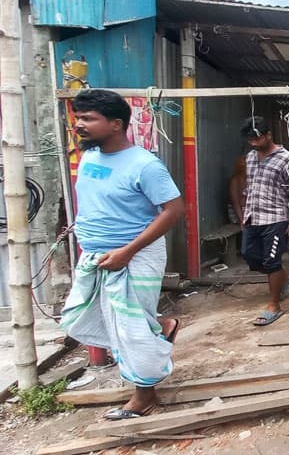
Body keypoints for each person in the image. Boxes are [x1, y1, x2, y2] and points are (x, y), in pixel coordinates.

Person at [60, 90, 184, 420]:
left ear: (116, 124)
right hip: (97, 255)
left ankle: (144, 397)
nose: (79, 125)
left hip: (135, 254)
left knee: (129, 328)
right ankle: (161, 325)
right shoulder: (88, 158)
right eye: (78, 118)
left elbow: (173, 210)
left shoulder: (145, 165)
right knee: (100, 319)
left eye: (88, 119)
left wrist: (127, 252)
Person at [240, 116, 289, 327]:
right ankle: (284, 275)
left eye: (257, 139)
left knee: (271, 261)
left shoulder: (286, 158)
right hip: (253, 217)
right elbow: (250, 186)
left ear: (268, 135)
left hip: (276, 217)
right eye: (250, 139)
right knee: (250, 256)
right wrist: (244, 214)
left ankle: (274, 305)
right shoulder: (250, 157)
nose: (254, 143)